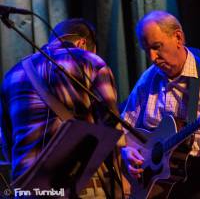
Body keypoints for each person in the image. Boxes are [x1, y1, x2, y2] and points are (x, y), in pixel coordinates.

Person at [0, 18, 125, 198]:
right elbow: (112, 130)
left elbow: (7, 143)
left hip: (28, 189)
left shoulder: (12, 75)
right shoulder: (91, 62)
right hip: (81, 186)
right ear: (82, 43)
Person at [120, 10, 200, 199]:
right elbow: (125, 128)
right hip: (159, 184)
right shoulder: (148, 78)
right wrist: (127, 150)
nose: (152, 57)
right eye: (146, 49)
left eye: (157, 47)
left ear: (178, 37)